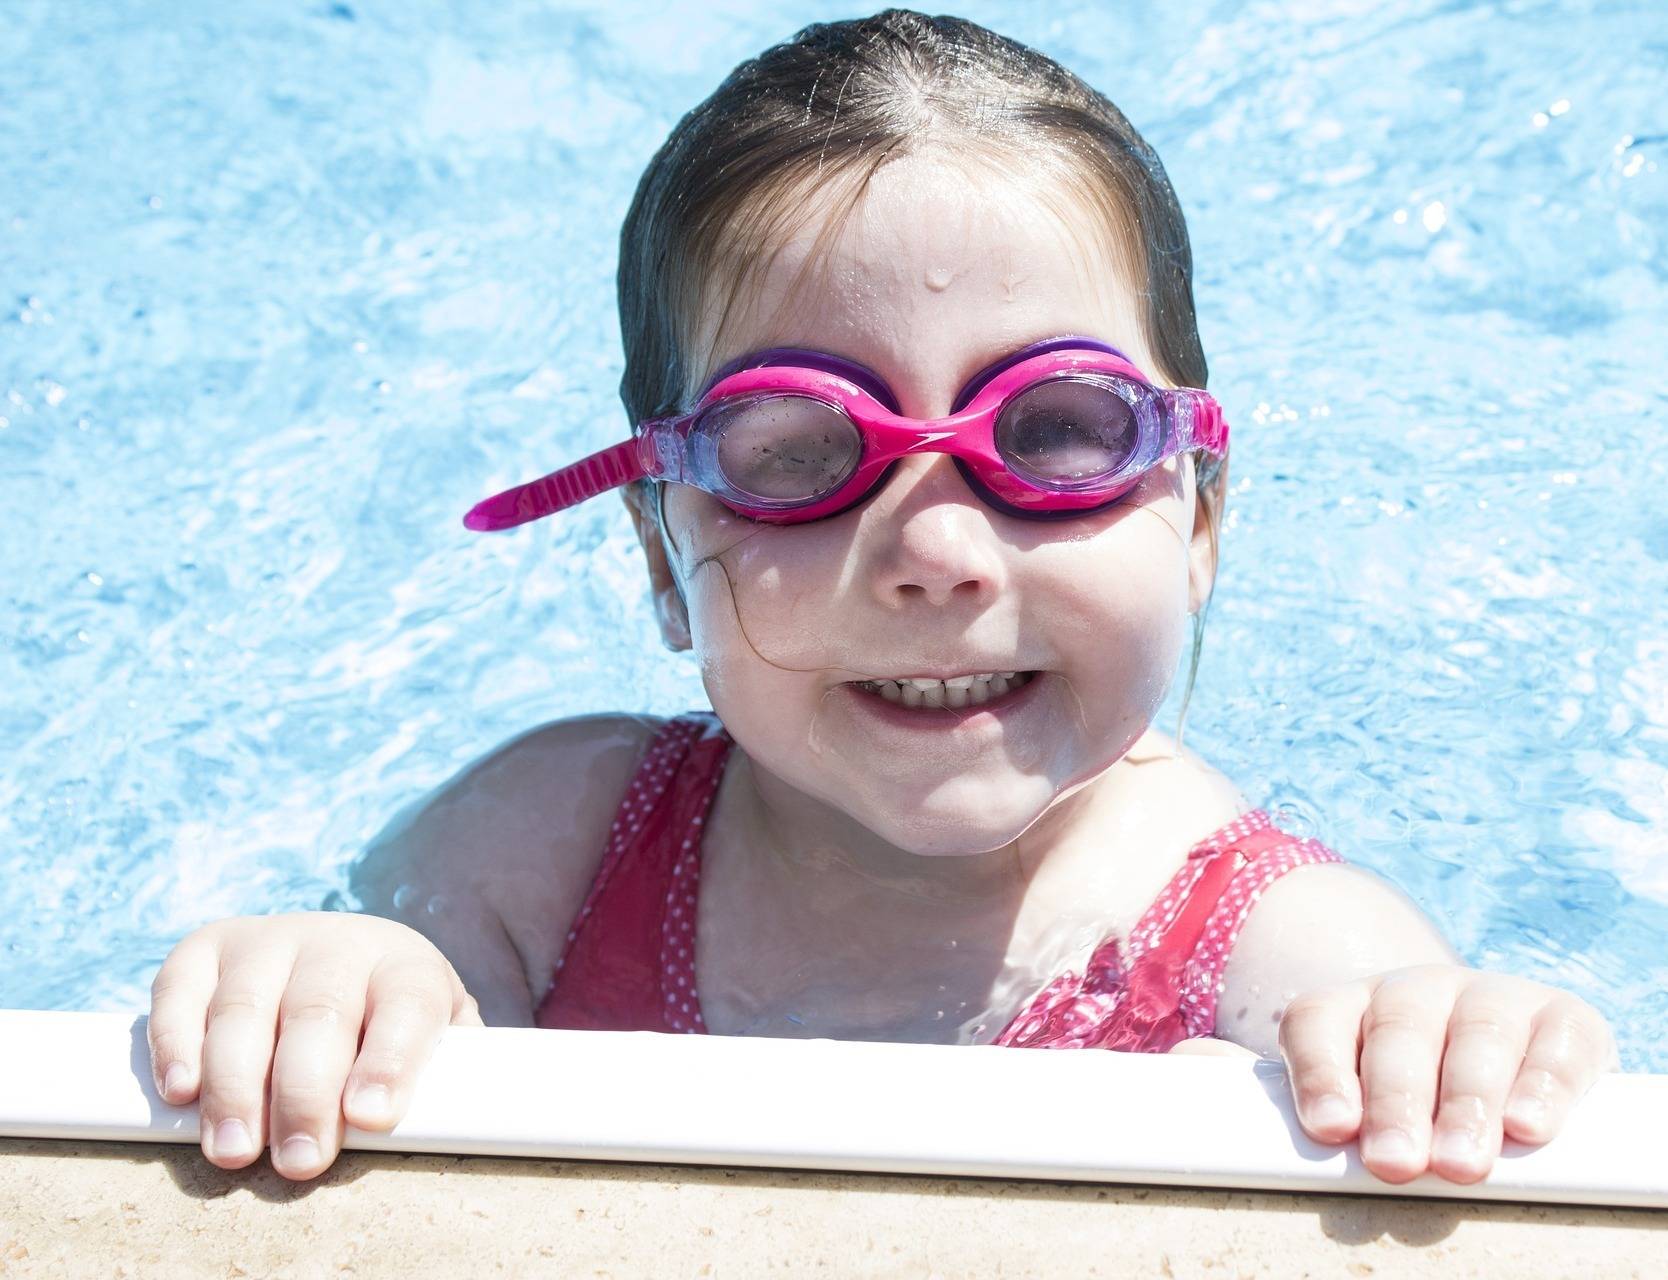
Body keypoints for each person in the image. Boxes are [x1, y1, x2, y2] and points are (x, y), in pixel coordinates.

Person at [146, 10, 1617, 1186]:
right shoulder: (544, 849)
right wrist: (337, 978)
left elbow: (1435, 1098)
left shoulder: (1283, 958)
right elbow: (354, 992)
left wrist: (1443, 1046)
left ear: (1203, 523)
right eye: (796, 455)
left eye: (1056, 434)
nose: (940, 552)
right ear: (664, 561)